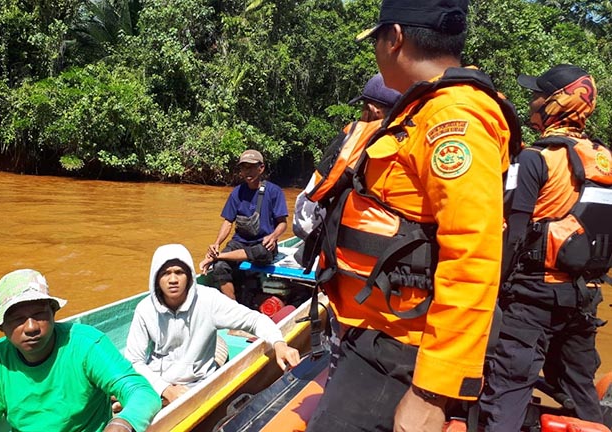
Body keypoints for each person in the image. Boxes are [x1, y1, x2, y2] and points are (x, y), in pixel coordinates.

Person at [305, 1, 518, 431]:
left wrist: (431, 391)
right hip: (376, 335)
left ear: (395, 37)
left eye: (378, 40)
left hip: (403, 351)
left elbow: (473, 255)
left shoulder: (454, 119)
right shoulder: (421, 111)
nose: (376, 52)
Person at [480, 65, 611, 431]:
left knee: (507, 388)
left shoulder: (534, 158)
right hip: (584, 296)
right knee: (580, 387)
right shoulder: (604, 158)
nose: (532, 101)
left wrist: (491, 287)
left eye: (537, 95)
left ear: (554, 103)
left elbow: (514, 232)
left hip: (531, 295)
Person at [0, 269, 161, 432]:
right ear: (1, 327)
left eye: (39, 314)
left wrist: (123, 423)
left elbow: (141, 393)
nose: (31, 327)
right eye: (18, 319)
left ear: (53, 313)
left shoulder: (85, 344)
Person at [125, 243, 301, 406]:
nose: (173, 279)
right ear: (156, 278)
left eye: (179, 272)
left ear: (189, 276)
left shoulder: (208, 300)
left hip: (197, 384)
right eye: (165, 273)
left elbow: (255, 320)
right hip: (157, 382)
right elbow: (134, 360)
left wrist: (279, 344)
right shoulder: (145, 309)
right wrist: (165, 389)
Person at [293, 73, 401, 242]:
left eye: (363, 108)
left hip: (356, 246)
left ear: (373, 111)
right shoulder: (417, 134)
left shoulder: (358, 136)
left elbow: (306, 216)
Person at [199, 149, 289, 301]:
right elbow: (228, 222)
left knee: (262, 251)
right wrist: (216, 243)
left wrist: (273, 236)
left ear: (261, 168)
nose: (247, 171)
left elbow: (283, 224)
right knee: (220, 267)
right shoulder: (237, 192)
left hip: (263, 244)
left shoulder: (274, 191)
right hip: (240, 243)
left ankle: (217, 257)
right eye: (244, 167)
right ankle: (234, 309)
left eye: (251, 167)